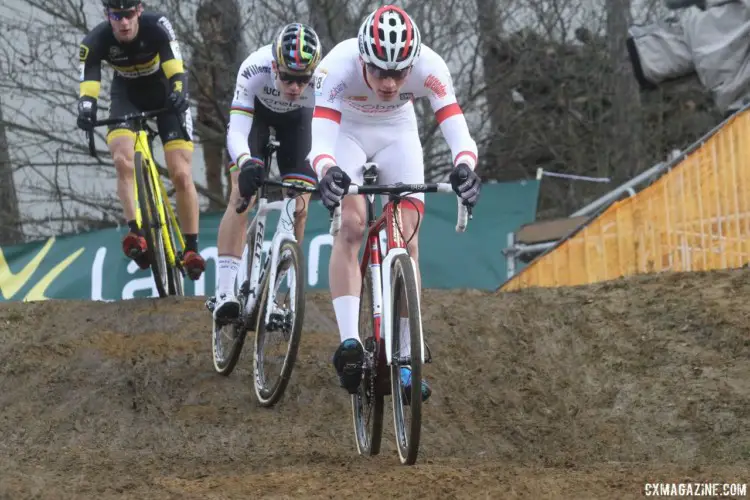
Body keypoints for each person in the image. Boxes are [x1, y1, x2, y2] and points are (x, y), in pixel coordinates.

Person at [307, 5, 482, 401]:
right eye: (381, 72)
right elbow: (320, 143)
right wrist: (327, 171)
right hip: (346, 134)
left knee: (408, 238)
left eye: (399, 73)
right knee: (351, 227)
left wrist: (465, 168)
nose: (389, 83)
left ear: (412, 64)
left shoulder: (430, 66)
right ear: (363, 59)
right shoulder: (337, 65)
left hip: (397, 134)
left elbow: (458, 129)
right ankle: (350, 342)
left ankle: (404, 357)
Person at [76, 0, 205, 280]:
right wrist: (86, 107)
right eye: (116, 16)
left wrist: (179, 91)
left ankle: (192, 248)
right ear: (108, 16)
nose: (123, 22)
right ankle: (136, 232)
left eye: (128, 14)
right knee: (122, 160)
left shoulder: (157, 27)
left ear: (139, 11)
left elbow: (175, 69)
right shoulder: (96, 40)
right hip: (127, 95)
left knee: (181, 174)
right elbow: (89, 79)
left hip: (163, 91)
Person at [210, 23, 322, 320]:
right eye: (287, 77)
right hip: (256, 119)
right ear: (274, 66)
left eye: (303, 79)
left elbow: (332, 133)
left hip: (298, 122)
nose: (295, 87)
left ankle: (273, 292)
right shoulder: (253, 69)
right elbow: (237, 131)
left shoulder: (324, 81)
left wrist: (331, 168)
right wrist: (246, 162)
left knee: (299, 206)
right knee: (241, 193)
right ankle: (224, 292)